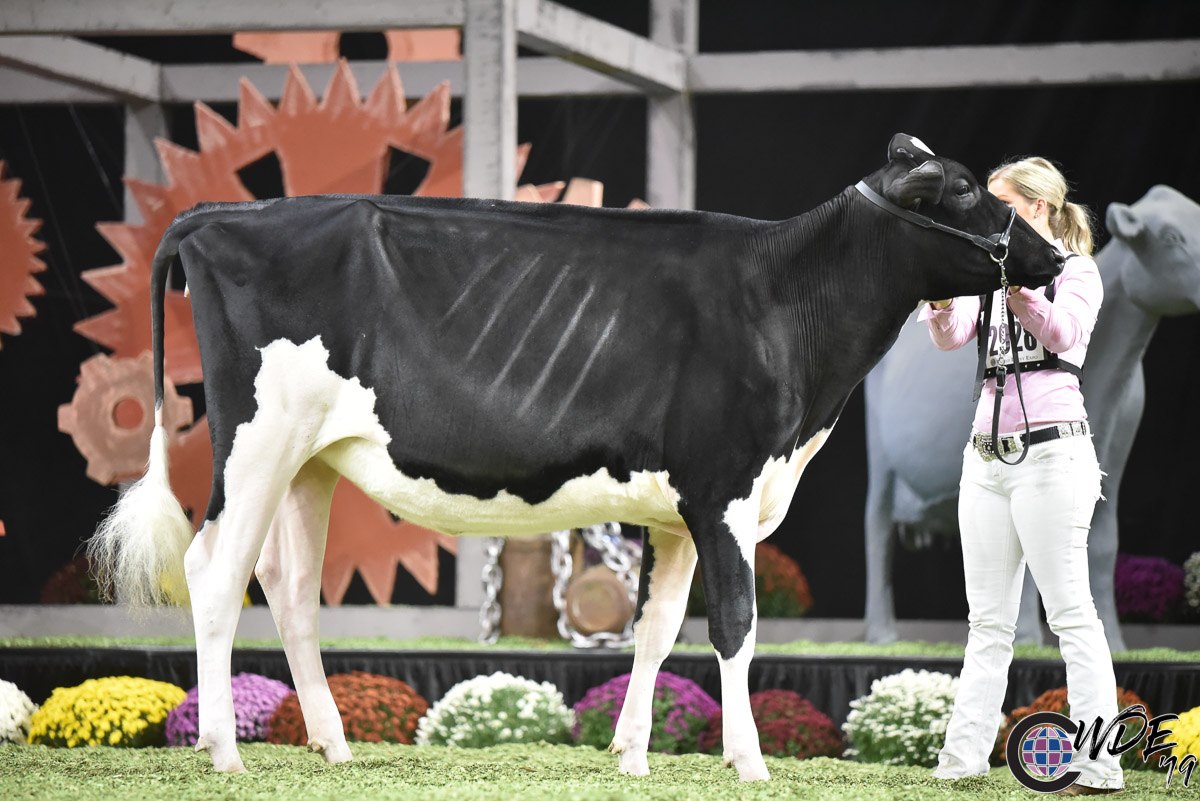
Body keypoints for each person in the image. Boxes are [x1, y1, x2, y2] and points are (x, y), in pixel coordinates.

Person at [921, 156, 1123, 795]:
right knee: (987, 621)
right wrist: (942, 296)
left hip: (1053, 455)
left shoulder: (1077, 270)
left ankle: (1099, 765)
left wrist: (1021, 289)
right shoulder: (991, 270)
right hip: (985, 456)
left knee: (1070, 614)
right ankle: (962, 761)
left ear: (1038, 207)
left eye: (1003, 205)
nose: (992, 216)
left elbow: (1064, 335)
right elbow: (952, 337)